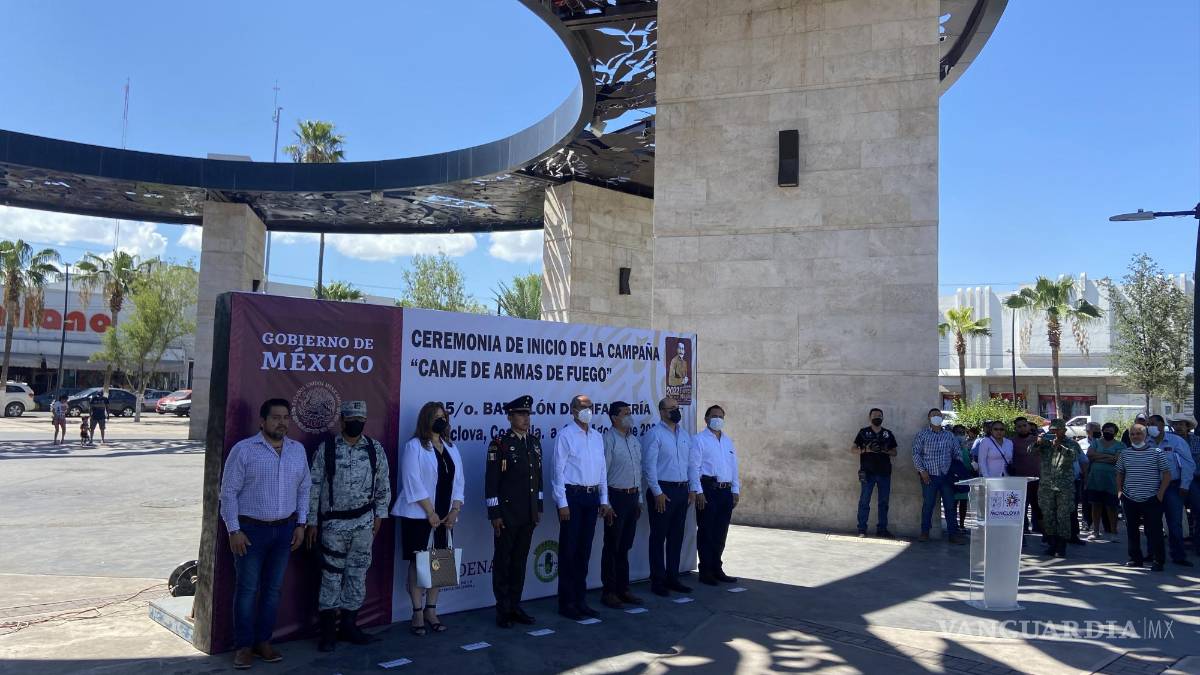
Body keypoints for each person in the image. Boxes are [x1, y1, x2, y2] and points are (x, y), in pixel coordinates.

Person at [219, 398, 311, 670]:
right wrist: (233, 530)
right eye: (275, 417)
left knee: (273, 591)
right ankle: (243, 647)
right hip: (250, 532)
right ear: (262, 421)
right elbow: (227, 493)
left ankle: (263, 642)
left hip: (284, 531)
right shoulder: (244, 450)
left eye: (286, 417)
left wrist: (301, 524)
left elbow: (305, 488)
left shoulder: (297, 451)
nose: (282, 422)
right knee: (247, 590)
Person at [305, 401, 391, 651]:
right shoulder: (327, 448)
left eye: (360, 420)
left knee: (357, 576)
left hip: (364, 524)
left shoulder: (375, 449)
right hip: (333, 526)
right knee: (331, 578)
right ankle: (329, 632)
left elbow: (383, 485)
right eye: (351, 419)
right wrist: (311, 522)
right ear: (341, 421)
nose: (356, 424)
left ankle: (349, 627)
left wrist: (379, 517)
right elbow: (313, 487)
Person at [392, 402, 464, 635]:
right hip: (419, 515)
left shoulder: (451, 447)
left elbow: (459, 481)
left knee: (440, 562)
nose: (440, 420)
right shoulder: (414, 446)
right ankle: (417, 611)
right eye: (436, 417)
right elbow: (411, 481)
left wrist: (455, 510)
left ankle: (432, 610)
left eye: (443, 416)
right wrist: (430, 512)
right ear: (426, 420)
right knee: (418, 564)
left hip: (445, 516)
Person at [485, 395, 543, 628]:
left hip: (528, 514)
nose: (525, 418)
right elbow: (491, 483)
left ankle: (516, 605)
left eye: (528, 414)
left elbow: (538, 482)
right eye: (520, 414)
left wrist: (537, 508)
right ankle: (503, 610)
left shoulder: (534, 443)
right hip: (507, 515)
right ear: (509, 417)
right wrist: (495, 514)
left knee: (519, 562)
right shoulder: (499, 444)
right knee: (503, 562)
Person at [552, 394, 611, 619]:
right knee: (569, 551)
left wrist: (603, 499)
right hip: (572, 498)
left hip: (592, 497)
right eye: (582, 406)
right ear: (573, 410)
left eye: (590, 406)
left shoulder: (596, 436)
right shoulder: (566, 435)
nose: (587, 410)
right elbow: (557, 471)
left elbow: (602, 470)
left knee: (584, 552)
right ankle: (566, 603)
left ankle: (580, 600)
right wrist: (562, 503)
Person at [642, 396, 701, 595]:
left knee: (676, 537)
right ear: (662, 412)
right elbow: (649, 466)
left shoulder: (685, 435)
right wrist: (657, 492)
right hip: (663, 491)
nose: (676, 411)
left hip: (682, 490)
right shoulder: (655, 434)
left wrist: (693, 488)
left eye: (677, 407)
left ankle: (672, 577)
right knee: (658, 537)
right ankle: (657, 581)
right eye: (671, 408)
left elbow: (691, 465)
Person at [600, 400, 643, 609]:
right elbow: (602, 474)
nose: (630, 416)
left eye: (630, 412)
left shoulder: (634, 440)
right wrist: (605, 503)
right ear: (614, 417)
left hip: (632, 497)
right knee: (612, 546)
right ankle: (609, 591)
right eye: (626, 413)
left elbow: (638, 471)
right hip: (615, 497)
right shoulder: (609, 440)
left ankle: (623, 589)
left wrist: (640, 499)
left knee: (625, 546)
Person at [694, 404, 740, 585]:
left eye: (721, 416)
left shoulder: (728, 441)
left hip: (725, 491)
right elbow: (694, 468)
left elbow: (733, 467)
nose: (718, 419)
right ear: (706, 419)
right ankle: (705, 571)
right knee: (706, 531)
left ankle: (717, 568)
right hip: (708, 489)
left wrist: (735, 490)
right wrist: (698, 491)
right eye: (714, 416)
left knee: (721, 532)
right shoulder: (699, 440)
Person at [1116, 424, 1172, 571]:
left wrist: (1160, 494)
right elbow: (1120, 473)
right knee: (1132, 530)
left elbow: (1167, 474)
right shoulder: (1125, 453)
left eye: (1138, 434)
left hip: (1151, 498)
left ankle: (1158, 560)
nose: (1135, 436)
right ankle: (1135, 558)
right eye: (1132, 434)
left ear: (1145, 436)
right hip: (1130, 497)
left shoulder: (1157, 452)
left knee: (1154, 531)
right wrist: (1120, 491)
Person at [912, 408, 964, 543]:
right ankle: (924, 532)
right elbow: (916, 454)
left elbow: (957, 452)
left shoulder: (949, 435)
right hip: (929, 476)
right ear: (929, 418)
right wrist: (922, 471)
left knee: (950, 506)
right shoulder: (922, 435)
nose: (936, 417)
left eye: (938, 415)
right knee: (928, 505)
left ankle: (953, 534)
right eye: (933, 415)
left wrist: (955, 470)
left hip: (946, 476)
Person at [1149, 414, 1195, 566]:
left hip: (1172, 487)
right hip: (1152, 487)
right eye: (1149, 424)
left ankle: (1178, 555)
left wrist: (1185, 485)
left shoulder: (1176, 441)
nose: (1151, 426)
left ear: (1162, 425)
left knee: (1174, 523)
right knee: (1153, 522)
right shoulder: (1145, 442)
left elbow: (1188, 463)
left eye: (1154, 424)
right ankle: (1153, 555)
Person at [1032, 419, 1080, 558]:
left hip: (1064, 487)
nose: (1054, 433)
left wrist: (1059, 447)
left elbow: (1074, 456)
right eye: (1052, 430)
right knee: (1048, 515)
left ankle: (1062, 546)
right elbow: (1030, 451)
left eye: (1057, 430)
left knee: (1063, 516)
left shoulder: (1071, 443)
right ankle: (1052, 543)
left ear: (1064, 430)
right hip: (1047, 486)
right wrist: (1038, 442)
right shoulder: (1045, 444)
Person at [851, 408, 897, 538]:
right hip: (867, 473)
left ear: (883, 418)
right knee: (864, 501)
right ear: (870, 417)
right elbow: (853, 449)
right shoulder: (863, 432)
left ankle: (882, 529)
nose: (878, 417)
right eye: (875, 415)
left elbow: (895, 452)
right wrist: (866, 449)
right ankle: (862, 529)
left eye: (880, 415)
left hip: (884, 473)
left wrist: (885, 450)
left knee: (884, 502)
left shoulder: (888, 433)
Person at [1085, 422, 1123, 539]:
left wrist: (1099, 456)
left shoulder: (1120, 445)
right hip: (1095, 479)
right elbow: (1090, 455)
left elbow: (1117, 460)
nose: (1108, 433)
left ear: (1115, 433)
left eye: (1111, 431)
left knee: (1112, 507)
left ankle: (1113, 531)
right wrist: (1108, 457)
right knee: (1096, 505)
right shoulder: (1096, 442)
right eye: (1106, 430)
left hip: (1112, 480)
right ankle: (1095, 531)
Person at [1171, 414, 1200, 556]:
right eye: (1175, 424)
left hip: (1193, 479)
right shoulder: (1168, 440)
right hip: (1173, 480)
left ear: (1188, 426)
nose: (1178, 427)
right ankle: (1177, 549)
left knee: (1198, 510)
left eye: (1181, 424)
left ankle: (1197, 544)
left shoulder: (1196, 441)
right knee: (1174, 515)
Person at [1009, 417, 1043, 534]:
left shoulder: (1037, 440)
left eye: (1024, 425)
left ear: (1028, 426)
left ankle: (1040, 529)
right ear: (1015, 428)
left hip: (1038, 478)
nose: (1022, 428)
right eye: (1019, 426)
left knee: (1039, 505)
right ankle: (1023, 529)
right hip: (1020, 479)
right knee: (1021, 505)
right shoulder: (1011, 442)